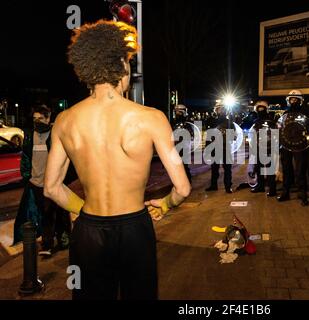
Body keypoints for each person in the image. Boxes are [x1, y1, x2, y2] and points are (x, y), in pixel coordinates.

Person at [44, 20, 191, 300]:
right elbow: (183, 188)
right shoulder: (152, 118)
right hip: (135, 229)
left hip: (88, 232)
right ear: (122, 65)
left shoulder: (64, 121)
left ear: (87, 68)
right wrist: (166, 203)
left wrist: (82, 207)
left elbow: (51, 188)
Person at [13, 105, 76, 256]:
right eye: (34, 119)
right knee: (44, 214)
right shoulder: (29, 136)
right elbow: (26, 158)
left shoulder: (55, 135)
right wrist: (27, 177)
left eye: (40, 118)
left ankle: (62, 241)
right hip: (36, 184)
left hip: (54, 183)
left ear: (48, 119)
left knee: (59, 214)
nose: (37, 122)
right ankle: (48, 244)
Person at [277, 90, 309, 206]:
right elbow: (280, 128)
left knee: (300, 170)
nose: (293, 101)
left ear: (300, 101)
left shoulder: (306, 114)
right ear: (288, 101)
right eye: (291, 99)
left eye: (296, 99)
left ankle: (303, 195)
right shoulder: (284, 114)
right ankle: (285, 192)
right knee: (286, 169)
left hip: (300, 145)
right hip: (287, 145)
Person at [205, 101, 234, 193]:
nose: (221, 111)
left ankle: (228, 187)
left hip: (225, 148)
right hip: (214, 147)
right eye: (219, 109)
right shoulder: (211, 121)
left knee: (227, 168)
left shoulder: (230, 122)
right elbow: (208, 135)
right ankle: (214, 185)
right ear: (216, 110)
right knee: (214, 168)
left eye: (222, 109)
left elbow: (233, 136)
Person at [249, 100, 277, 197]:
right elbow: (252, 135)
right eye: (259, 109)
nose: (260, 110)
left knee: (270, 170)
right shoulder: (255, 122)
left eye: (262, 109)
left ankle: (272, 189)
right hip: (258, 148)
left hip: (269, 148)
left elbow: (275, 134)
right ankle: (260, 186)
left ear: (266, 109)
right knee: (258, 168)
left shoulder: (271, 121)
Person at [172, 104, 192, 183]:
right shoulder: (173, 122)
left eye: (179, 112)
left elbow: (191, 134)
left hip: (184, 147)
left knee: (184, 166)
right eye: (176, 111)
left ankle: (187, 182)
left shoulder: (187, 123)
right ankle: (177, 183)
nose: (178, 113)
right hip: (174, 147)